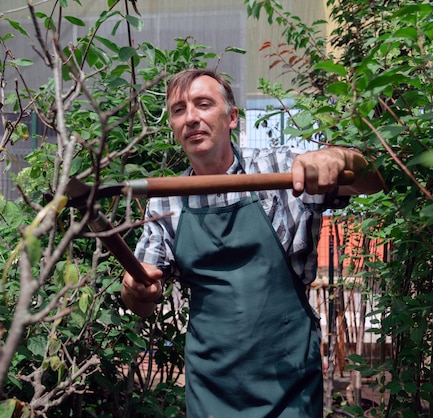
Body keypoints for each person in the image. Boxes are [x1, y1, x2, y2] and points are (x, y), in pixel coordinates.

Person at [121, 69, 383, 417]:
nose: (192, 118)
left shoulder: (280, 170)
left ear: (231, 117)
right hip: (212, 388)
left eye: (203, 104)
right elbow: (140, 300)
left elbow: (373, 181)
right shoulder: (167, 199)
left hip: (289, 382)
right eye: (179, 110)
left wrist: (340, 158)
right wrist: (136, 290)